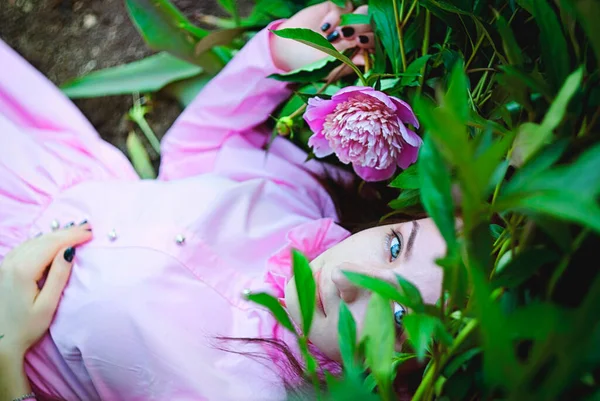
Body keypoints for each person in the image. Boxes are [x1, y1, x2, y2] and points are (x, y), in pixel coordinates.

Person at [0, 2, 446, 400]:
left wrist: (7, 354)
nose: (348, 277)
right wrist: (280, 57)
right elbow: (198, 149)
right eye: (393, 246)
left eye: (399, 315)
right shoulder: (302, 211)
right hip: (31, 162)